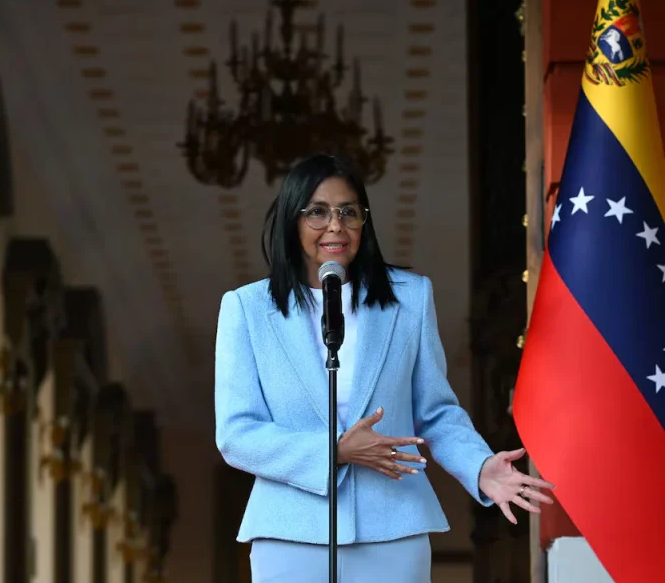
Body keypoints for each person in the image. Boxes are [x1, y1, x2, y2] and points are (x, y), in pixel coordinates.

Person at [214, 153, 554, 582]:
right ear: (291, 220)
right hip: (290, 530)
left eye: (348, 212)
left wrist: (479, 466)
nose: (335, 225)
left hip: (393, 525)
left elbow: (435, 411)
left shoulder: (411, 298)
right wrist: (335, 451)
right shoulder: (246, 308)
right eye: (317, 212)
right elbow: (236, 434)